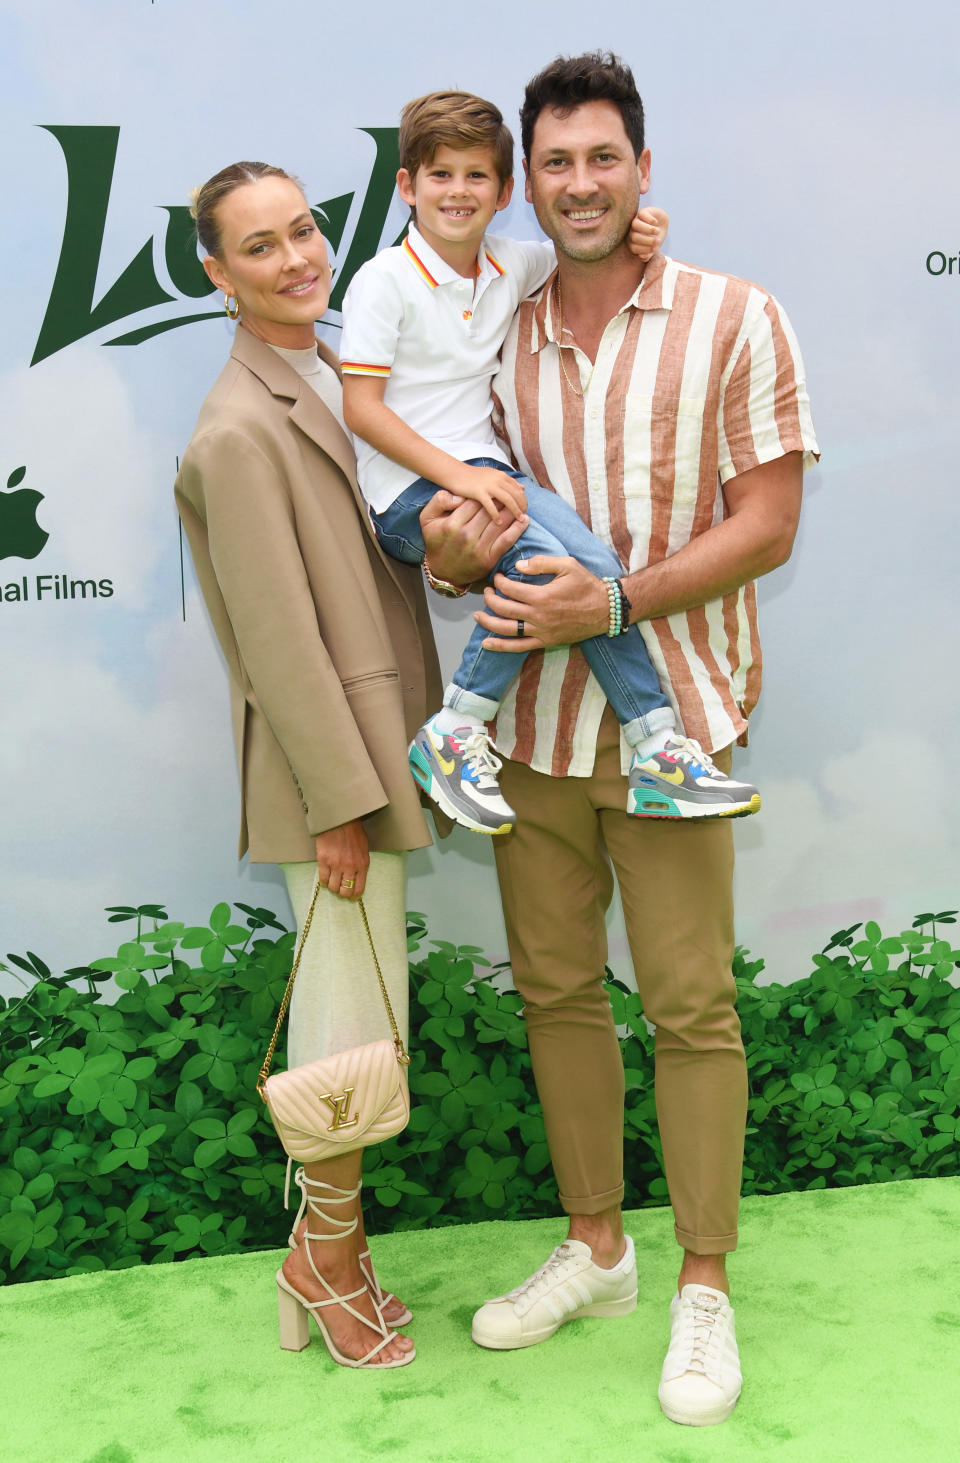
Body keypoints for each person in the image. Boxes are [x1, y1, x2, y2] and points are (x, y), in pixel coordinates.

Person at [447, 53, 819, 1426]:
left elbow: (767, 521)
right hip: (527, 729)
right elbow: (447, 514)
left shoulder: (734, 315)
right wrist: (451, 544)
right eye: (556, 164)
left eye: (604, 158)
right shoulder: (488, 322)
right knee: (555, 994)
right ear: (526, 180)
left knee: (688, 1005)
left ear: (643, 168)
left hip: (677, 724)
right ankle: (599, 1245)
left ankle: (701, 1280)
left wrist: (611, 598)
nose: (581, 184)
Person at [173, 162, 517, 1370]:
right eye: (258, 247)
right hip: (335, 775)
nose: (296, 258)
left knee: (369, 1012)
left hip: (381, 743)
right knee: (345, 1022)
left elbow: (387, 565)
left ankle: (334, 1250)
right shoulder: (233, 429)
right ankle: (321, 1260)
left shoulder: (341, 367)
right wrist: (339, 808)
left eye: (304, 229)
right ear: (216, 274)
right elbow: (275, 641)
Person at [341, 91, 761, 837]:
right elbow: (363, 410)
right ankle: (456, 728)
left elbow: (594, 240)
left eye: (478, 177)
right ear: (406, 186)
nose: (459, 192)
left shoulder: (513, 260)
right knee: (539, 568)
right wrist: (461, 477)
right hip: (416, 492)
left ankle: (656, 748)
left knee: (597, 570)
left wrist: (645, 227)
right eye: (440, 176)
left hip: (488, 476)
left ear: (507, 195)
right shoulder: (383, 281)